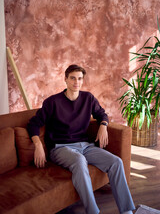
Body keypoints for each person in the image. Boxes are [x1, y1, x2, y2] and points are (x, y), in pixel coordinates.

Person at [27, 64, 135, 214]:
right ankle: (93, 211)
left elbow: (102, 114)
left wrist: (103, 125)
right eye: (72, 78)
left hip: (85, 146)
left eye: (79, 79)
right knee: (79, 160)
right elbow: (33, 124)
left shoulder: (88, 98)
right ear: (65, 79)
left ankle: (127, 211)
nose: (76, 82)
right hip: (60, 148)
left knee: (116, 162)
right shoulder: (52, 102)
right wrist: (38, 145)